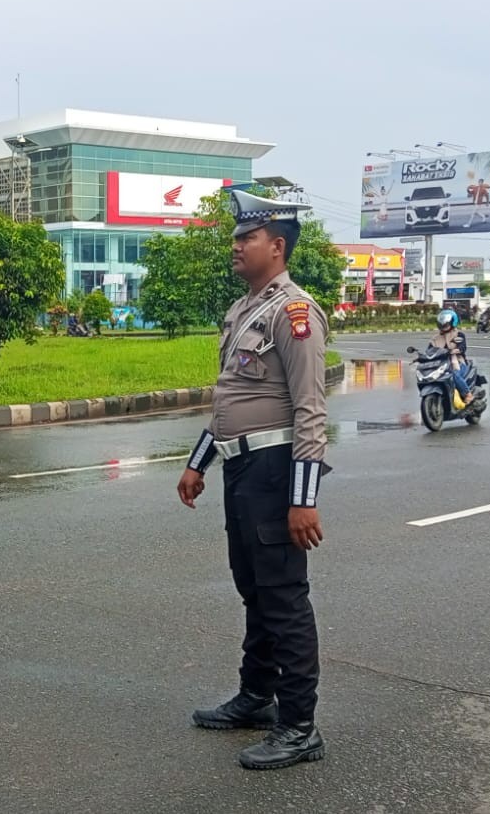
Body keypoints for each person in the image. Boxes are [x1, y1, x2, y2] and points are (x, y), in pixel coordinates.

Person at [176, 189, 329, 772]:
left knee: (283, 598)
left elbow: (310, 410)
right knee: (253, 587)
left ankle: (299, 726)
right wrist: (199, 462)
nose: (236, 245)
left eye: (246, 238)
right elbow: (231, 400)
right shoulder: (245, 310)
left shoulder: (294, 313)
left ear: (278, 245)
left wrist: (303, 500)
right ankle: (256, 698)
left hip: (274, 472)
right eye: (237, 236)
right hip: (240, 467)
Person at [428, 308, 475, 407]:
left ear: (453, 322)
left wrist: (455, 351)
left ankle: (468, 394)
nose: (443, 326)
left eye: (446, 324)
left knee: (454, 375)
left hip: (457, 362)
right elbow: (429, 351)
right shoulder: (435, 338)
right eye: (442, 324)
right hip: (440, 364)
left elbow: (462, 347)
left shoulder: (458, 334)